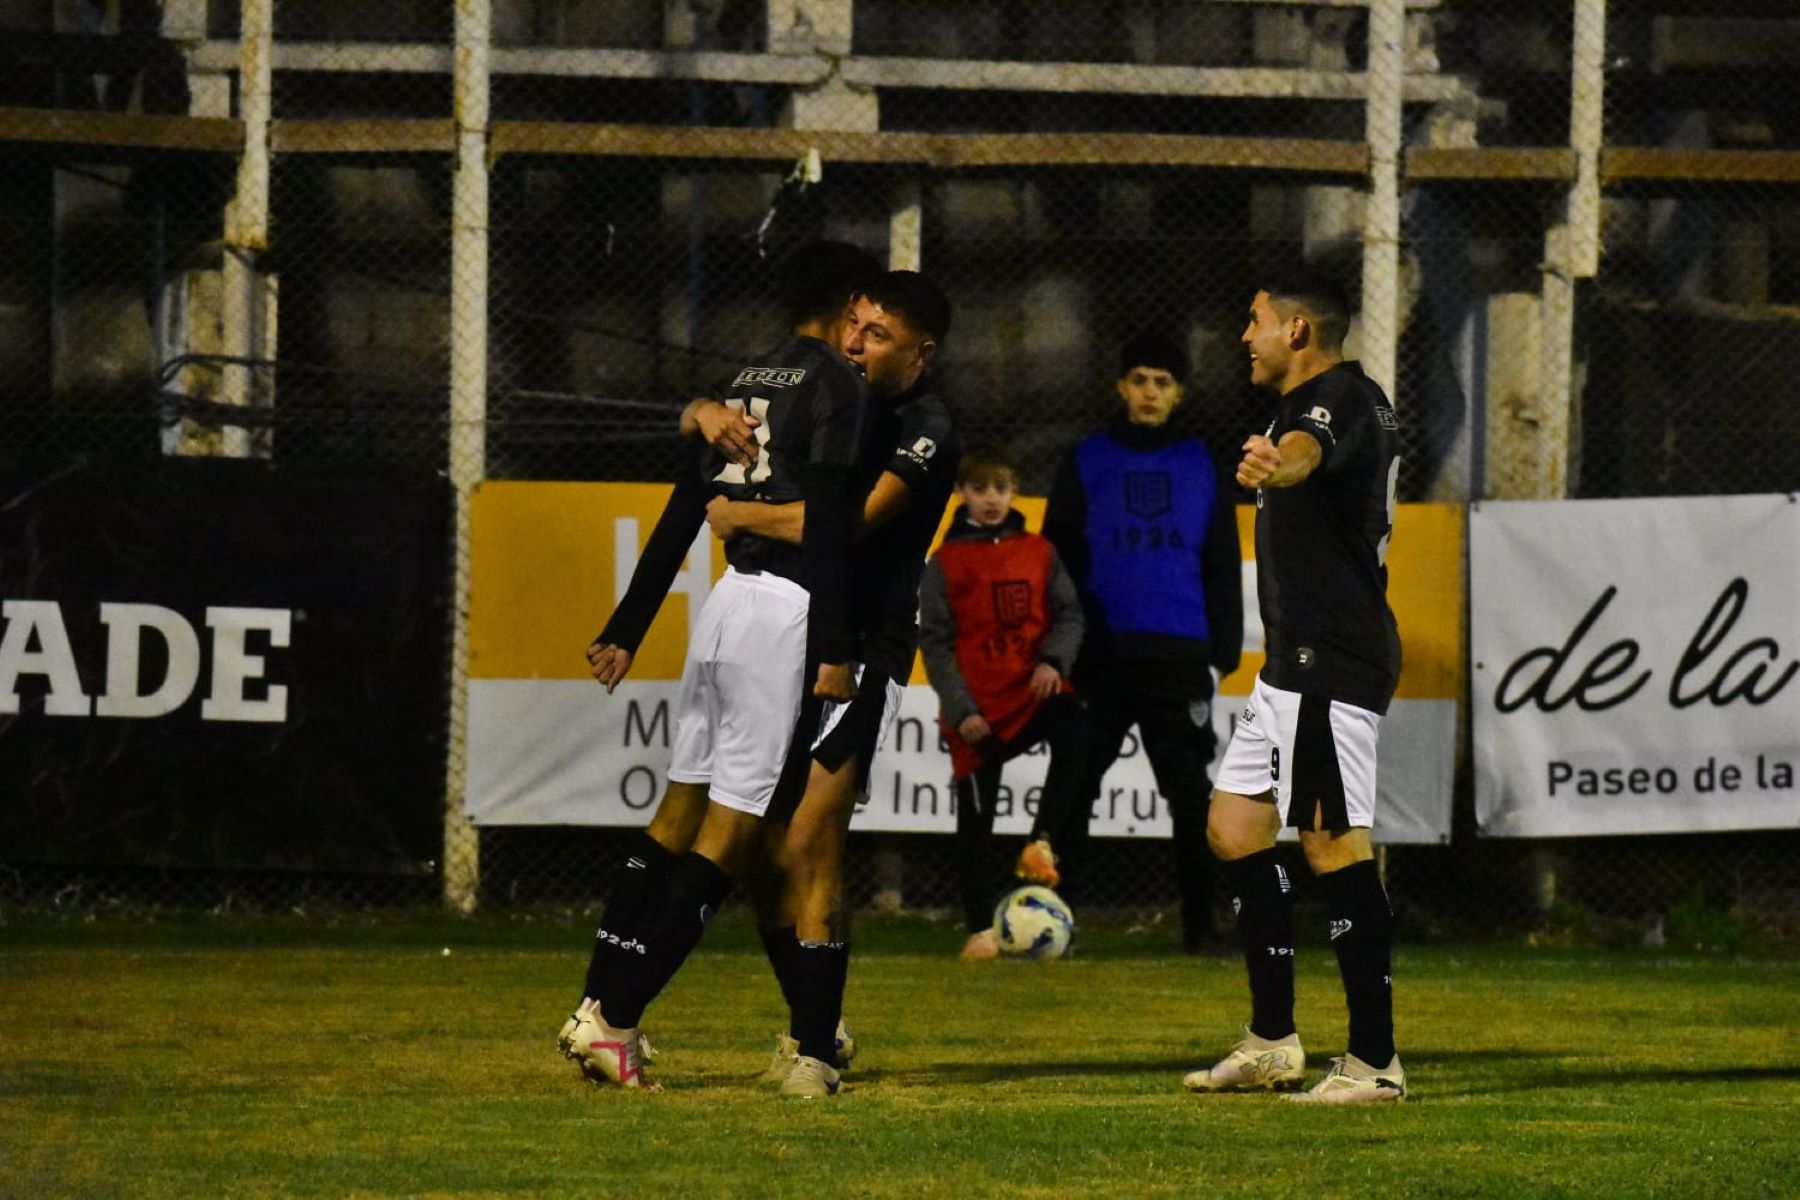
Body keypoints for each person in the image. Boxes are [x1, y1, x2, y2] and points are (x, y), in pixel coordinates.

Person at [557, 240, 878, 1090]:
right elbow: (837, 528)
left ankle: (595, 1007)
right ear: (849, 305)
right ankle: (617, 1019)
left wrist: (629, 622)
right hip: (787, 614)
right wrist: (840, 650)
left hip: (726, 604)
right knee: (733, 831)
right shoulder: (840, 387)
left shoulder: (741, 384)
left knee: (676, 814)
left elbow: (682, 508)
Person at [701, 270, 961, 1097]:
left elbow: (847, 524)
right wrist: (703, 412)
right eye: (852, 324)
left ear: (919, 354)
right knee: (765, 855)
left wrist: (739, 515)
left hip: (861, 649)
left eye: (876, 334)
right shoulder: (825, 395)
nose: (853, 343)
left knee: (809, 838)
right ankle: (818, 1021)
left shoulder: (925, 426)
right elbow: (720, 417)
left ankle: (812, 1052)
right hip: (787, 635)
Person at [1184, 270, 1406, 1103]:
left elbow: (1307, 456)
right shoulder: (1324, 401)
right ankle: (1274, 1040)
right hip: (1293, 665)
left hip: (1332, 657)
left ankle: (1375, 1063)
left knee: (1332, 846)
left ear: (1298, 329)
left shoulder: (1334, 399)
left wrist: (1278, 465)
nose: (1246, 336)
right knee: (1237, 829)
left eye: (1255, 320)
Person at [1040, 334, 1243, 952]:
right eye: (1140, 380)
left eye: (1162, 382)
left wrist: (1224, 642)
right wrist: (1059, 645)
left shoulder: (1200, 461)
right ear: (1121, 388)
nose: (1150, 392)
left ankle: (1202, 929)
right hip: (1100, 651)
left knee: (1189, 793)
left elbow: (1220, 559)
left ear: (1178, 393)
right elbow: (1058, 558)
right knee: (1074, 787)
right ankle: (1054, 923)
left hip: (1176, 651)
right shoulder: (1086, 459)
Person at [915, 444, 1088, 960]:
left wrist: (1053, 662)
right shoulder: (944, 563)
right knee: (976, 817)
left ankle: (1043, 841)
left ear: (1014, 493)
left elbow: (1069, 616)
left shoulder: (1040, 551)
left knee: (1078, 729)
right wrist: (962, 709)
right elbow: (936, 642)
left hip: (1030, 693)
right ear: (963, 494)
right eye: (980, 489)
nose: (991, 499)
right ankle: (979, 929)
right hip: (979, 708)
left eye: (1001, 488)